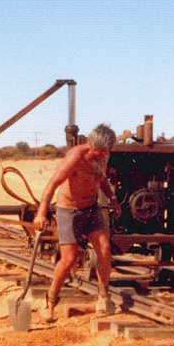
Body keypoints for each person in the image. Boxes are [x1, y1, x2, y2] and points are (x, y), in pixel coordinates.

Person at [32, 123, 121, 321]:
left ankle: (104, 298)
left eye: (108, 151)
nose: (105, 155)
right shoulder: (75, 157)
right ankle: (50, 302)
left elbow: (102, 179)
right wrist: (41, 213)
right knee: (69, 259)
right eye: (102, 151)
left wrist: (112, 198)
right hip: (68, 210)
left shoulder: (103, 157)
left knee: (104, 249)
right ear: (92, 146)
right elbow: (52, 184)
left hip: (91, 208)